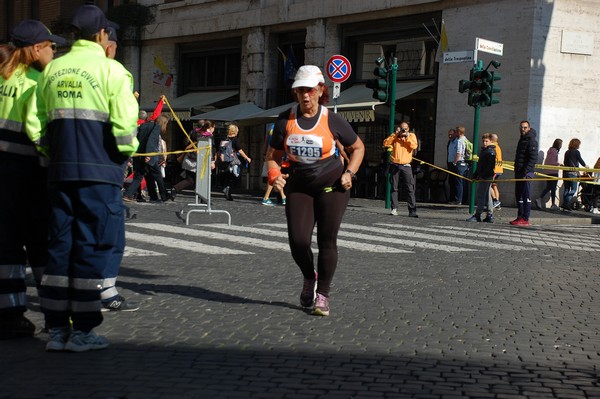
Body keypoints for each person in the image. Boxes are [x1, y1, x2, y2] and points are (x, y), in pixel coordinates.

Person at [37, 5, 139, 352]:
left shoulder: (52, 70)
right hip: (100, 173)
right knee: (91, 248)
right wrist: (121, 157)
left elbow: (37, 125)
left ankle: (55, 330)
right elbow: (126, 129)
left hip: (60, 172)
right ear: (101, 35)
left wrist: (52, 156)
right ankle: (82, 331)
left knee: (60, 247)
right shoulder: (113, 72)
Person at [266, 65, 365, 316]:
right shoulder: (285, 120)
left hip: (333, 186)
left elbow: (359, 148)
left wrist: (349, 173)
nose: (305, 96)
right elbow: (272, 157)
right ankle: (310, 277)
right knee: (298, 241)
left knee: (326, 240)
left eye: (309, 90)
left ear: (321, 90)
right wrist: (275, 175)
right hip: (299, 186)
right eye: (300, 90)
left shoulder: (332, 119)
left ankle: (323, 295)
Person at [0, 20, 65, 339]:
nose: (54, 50)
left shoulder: (2, 77)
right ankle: (55, 313)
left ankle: (9, 313)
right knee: (41, 244)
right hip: (27, 173)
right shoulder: (37, 82)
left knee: (6, 246)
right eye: (51, 45)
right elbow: (38, 131)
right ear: (37, 48)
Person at [123, 114, 173, 203]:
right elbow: (151, 140)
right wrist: (148, 155)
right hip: (150, 156)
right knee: (157, 176)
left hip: (139, 155)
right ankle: (163, 195)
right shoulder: (156, 127)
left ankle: (153, 196)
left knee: (146, 176)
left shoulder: (144, 125)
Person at [383, 122, 418, 217]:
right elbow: (386, 143)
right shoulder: (395, 136)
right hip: (395, 164)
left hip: (406, 165)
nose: (403, 130)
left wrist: (407, 137)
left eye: (405, 129)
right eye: (402, 129)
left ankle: (412, 210)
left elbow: (414, 146)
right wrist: (396, 135)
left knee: (409, 188)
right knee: (394, 187)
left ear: (408, 129)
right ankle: (394, 208)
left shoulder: (412, 135)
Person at [173, 120, 215, 194]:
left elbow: (185, 142)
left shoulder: (193, 132)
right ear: (210, 127)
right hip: (201, 161)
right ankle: (203, 198)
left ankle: (174, 190)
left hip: (189, 158)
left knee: (191, 179)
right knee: (202, 179)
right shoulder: (209, 136)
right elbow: (211, 149)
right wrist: (212, 161)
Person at [510, 120, 538, 226]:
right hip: (519, 172)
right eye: (521, 127)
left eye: (525, 127)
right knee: (519, 196)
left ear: (529, 128)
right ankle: (520, 216)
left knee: (526, 196)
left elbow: (533, 158)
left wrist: (525, 171)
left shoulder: (531, 141)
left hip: (526, 173)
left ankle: (525, 218)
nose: (523, 129)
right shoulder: (522, 140)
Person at [466, 134, 496, 223]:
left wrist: (481, 175)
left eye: (486, 141)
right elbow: (480, 165)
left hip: (486, 176)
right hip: (484, 176)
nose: (484, 143)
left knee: (481, 195)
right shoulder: (484, 151)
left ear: (491, 141)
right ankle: (489, 215)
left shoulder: (490, 152)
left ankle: (478, 215)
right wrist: (475, 175)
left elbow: (489, 166)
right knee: (487, 196)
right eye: (483, 141)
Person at [218, 123, 251, 201]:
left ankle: (226, 189)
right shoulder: (236, 139)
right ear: (235, 131)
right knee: (236, 175)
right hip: (233, 161)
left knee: (228, 175)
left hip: (224, 161)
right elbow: (240, 150)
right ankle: (228, 188)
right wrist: (246, 157)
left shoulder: (224, 139)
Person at [535, 138, 562, 211]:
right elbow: (552, 162)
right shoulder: (554, 151)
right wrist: (559, 164)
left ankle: (540, 199)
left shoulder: (550, 151)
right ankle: (553, 204)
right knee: (553, 188)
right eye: (560, 144)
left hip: (548, 172)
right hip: (553, 172)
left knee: (549, 187)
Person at [561, 138, 586, 211]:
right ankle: (566, 203)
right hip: (572, 173)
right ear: (577, 144)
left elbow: (565, 162)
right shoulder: (576, 152)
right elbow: (580, 160)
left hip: (565, 172)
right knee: (574, 189)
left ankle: (564, 204)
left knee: (566, 189)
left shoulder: (567, 152)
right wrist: (585, 166)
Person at [446, 126, 469, 205]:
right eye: (449, 135)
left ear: (457, 133)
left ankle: (459, 199)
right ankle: (453, 198)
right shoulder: (450, 142)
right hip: (451, 163)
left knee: (459, 182)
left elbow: (459, 153)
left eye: (452, 134)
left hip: (457, 163)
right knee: (452, 181)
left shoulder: (459, 141)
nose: (450, 136)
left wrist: (455, 162)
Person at [490, 133, 503, 209]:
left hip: (495, 169)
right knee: (494, 186)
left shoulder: (493, 147)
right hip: (499, 169)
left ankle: (495, 200)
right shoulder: (498, 146)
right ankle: (497, 204)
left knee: (489, 185)